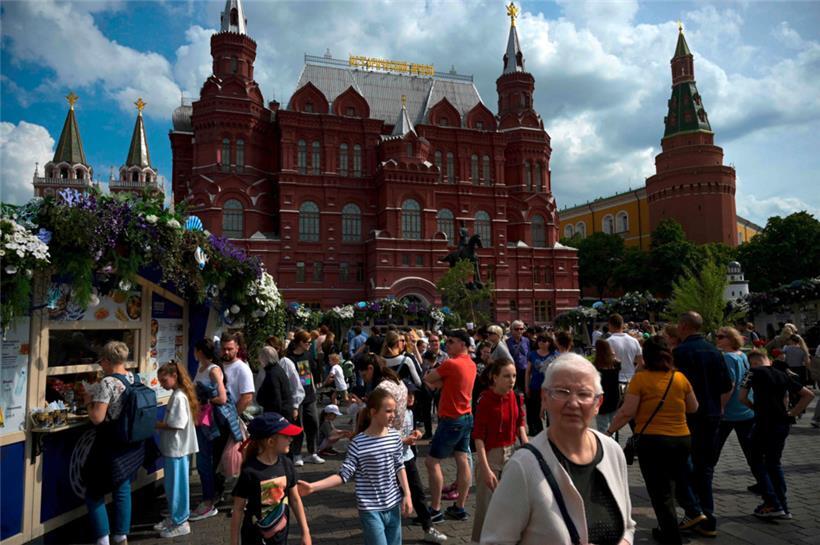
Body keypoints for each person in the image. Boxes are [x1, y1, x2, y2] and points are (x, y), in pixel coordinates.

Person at [481, 353, 635, 545]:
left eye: (584, 394)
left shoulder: (612, 451)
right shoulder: (523, 466)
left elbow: (627, 526)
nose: (573, 403)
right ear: (544, 398)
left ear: (598, 404)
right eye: (562, 391)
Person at [607, 336, 698, 544]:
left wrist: (610, 431)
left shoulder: (641, 379)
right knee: (673, 485)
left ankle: (671, 535)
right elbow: (694, 407)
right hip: (682, 439)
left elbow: (627, 412)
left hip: (653, 441)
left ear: (646, 356)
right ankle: (677, 523)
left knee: (660, 492)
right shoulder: (680, 378)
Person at [297, 390, 413, 545]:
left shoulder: (394, 437)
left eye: (394, 410)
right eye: (388, 411)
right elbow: (343, 475)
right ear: (373, 412)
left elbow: (399, 466)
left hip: (393, 505)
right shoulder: (358, 443)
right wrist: (312, 487)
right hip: (370, 508)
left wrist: (407, 494)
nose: (393, 415)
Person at [81, 341, 148, 545]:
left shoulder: (108, 383)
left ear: (109, 360)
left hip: (110, 444)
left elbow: (97, 418)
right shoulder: (135, 377)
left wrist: (87, 401)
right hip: (131, 443)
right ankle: (121, 536)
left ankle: (103, 539)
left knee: (93, 491)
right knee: (122, 487)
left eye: (101, 360)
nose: (100, 364)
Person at [672, 312, 733, 537]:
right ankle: (707, 516)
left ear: (685, 326)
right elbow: (727, 385)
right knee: (705, 467)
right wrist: (720, 407)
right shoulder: (714, 351)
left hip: (687, 416)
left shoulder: (680, 353)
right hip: (711, 415)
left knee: (682, 465)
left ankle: (694, 511)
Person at [740, 351, 815, 519]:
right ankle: (783, 506)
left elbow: (742, 397)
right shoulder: (782, 374)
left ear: (752, 362)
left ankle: (772, 502)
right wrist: (792, 414)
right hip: (781, 424)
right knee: (774, 464)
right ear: (768, 360)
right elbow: (808, 395)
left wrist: (754, 408)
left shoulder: (752, 372)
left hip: (764, 423)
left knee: (756, 460)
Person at [230, 413, 310, 545]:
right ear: (271, 442)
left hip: (280, 534)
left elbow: (295, 499)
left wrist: (305, 532)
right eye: (286, 436)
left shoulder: (287, 464)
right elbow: (238, 508)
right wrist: (234, 542)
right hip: (254, 537)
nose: (291, 439)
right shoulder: (250, 471)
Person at [424, 329, 477, 522]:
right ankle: (459, 507)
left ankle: (436, 510)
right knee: (462, 460)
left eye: (452, 341)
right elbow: (444, 383)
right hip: (466, 416)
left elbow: (429, 378)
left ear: (463, 344)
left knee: (431, 462)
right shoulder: (470, 364)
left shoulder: (451, 363)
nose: (448, 345)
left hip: (451, 419)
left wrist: (436, 379)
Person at [472, 359, 527, 543]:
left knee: (509, 507)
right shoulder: (485, 400)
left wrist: (526, 446)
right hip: (490, 456)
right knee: (486, 509)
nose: (511, 380)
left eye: (514, 376)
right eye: (506, 376)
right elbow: (478, 436)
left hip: (511, 453)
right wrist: (486, 469)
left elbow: (520, 423)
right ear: (494, 377)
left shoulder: (514, 396)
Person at [154, 362, 200, 538]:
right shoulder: (179, 394)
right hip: (175, 449)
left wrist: (157, 424)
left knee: (176, 486)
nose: (161, 384)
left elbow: (177, 424)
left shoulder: (179, 397)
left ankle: (180, 520)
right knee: (173, 485)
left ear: (174, 377)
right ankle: (176, 518)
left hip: (177, 449)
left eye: (164, 380)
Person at [401, 383, 449, 544]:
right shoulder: (392, 414)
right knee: (394, 497)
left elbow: (409, 433)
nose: (411, 398)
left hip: (407, 458)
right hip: (391, 462)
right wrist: (403, 440)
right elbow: (384, 436)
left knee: (419, 493)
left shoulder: (410, 412)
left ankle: (428, 528)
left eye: (413, 395)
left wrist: (415, 434)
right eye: (408, 394)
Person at [713, 327, 757, 492]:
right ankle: (763, 481)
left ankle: (702, 482)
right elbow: (747, 378)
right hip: (745, 408)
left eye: (721, 337)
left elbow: (729, 385)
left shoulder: (728, 358)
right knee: (750, 449)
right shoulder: (742, 356)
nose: (717, 339)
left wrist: (721, 406)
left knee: (713, 448)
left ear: (730, 339)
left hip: (730, 411)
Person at [191, 339, 229, 521]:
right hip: (200, 421)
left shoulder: (213, 369)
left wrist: (204, 400)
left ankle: (209, 500)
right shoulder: (200, 368)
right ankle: (207, 498)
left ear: (199, 351)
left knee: (205, 461)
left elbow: (222, 398)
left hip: (209, 423)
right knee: (202, 461)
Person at [286, 330, 324, 466]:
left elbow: (309, 373)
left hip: (309, 395)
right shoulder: (289, 358)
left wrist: (313, 387)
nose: (310, 345)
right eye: (308, 342)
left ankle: (312, 452)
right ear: (300, 343)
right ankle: (296, 454)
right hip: (296, 397)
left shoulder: (307, 355)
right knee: (298, 426)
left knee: (313, 423)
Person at [525, 333, 557, 435]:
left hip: (550, 389)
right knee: (535, 413)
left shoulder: (554, 355)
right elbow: (528, 371)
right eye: (539, 341)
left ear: (549, 342)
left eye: (544, 341)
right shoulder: (532, 354)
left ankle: (551, 433)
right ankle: (539, 434)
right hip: (535, 387)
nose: (541, 343)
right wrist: (527, 386)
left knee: (551, 413)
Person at [221, 332, 255, 415]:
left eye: (230, 349)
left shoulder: (242, 368)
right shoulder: (218, 365)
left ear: (237, 349)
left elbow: (247, 397)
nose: (226, 352)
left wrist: (232, 416)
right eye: (223, 349)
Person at [606, 314, 644, 386]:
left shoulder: (608, 342)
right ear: (622, 325)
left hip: (615, 380)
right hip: (632, 380)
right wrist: (633, 372)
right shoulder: (634, 341)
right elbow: (641, 363)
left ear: (610, 325)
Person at [593, 339, 621, 435]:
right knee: (613, 427)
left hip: (602, 398)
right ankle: (614, 446)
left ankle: (606, 446)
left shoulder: (595, 366)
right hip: (614, 396)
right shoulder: (616, 364)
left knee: (602, 427)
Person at [257, 346, 294, 417]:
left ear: (263, 358)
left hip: (278, 415)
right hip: (284, 411)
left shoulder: (272, 374)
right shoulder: (278, 369)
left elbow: (276, 399)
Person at [506, 320, 530, 393]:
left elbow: (529, 355)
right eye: (516, 329)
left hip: (525, 372)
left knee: (526, 393)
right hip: (513, 372)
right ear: (511, 330)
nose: (519, 331)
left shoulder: (527, 341)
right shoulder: (507, 342)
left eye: (521, 329)